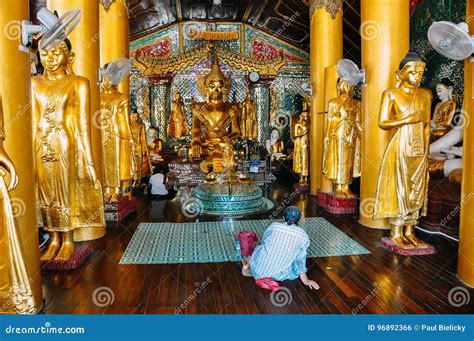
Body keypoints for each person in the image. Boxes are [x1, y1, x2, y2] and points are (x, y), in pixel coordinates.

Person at [242, 206, 319, 290]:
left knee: (258, 248)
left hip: (257, 269)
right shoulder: (303, 236)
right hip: (277, 275)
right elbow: (300, 260)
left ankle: (249, 265)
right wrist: (306, 281)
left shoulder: (274, 226)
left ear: (283, 217)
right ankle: (269, 277)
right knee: (294, 264)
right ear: (299, 219)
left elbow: (264, 241)